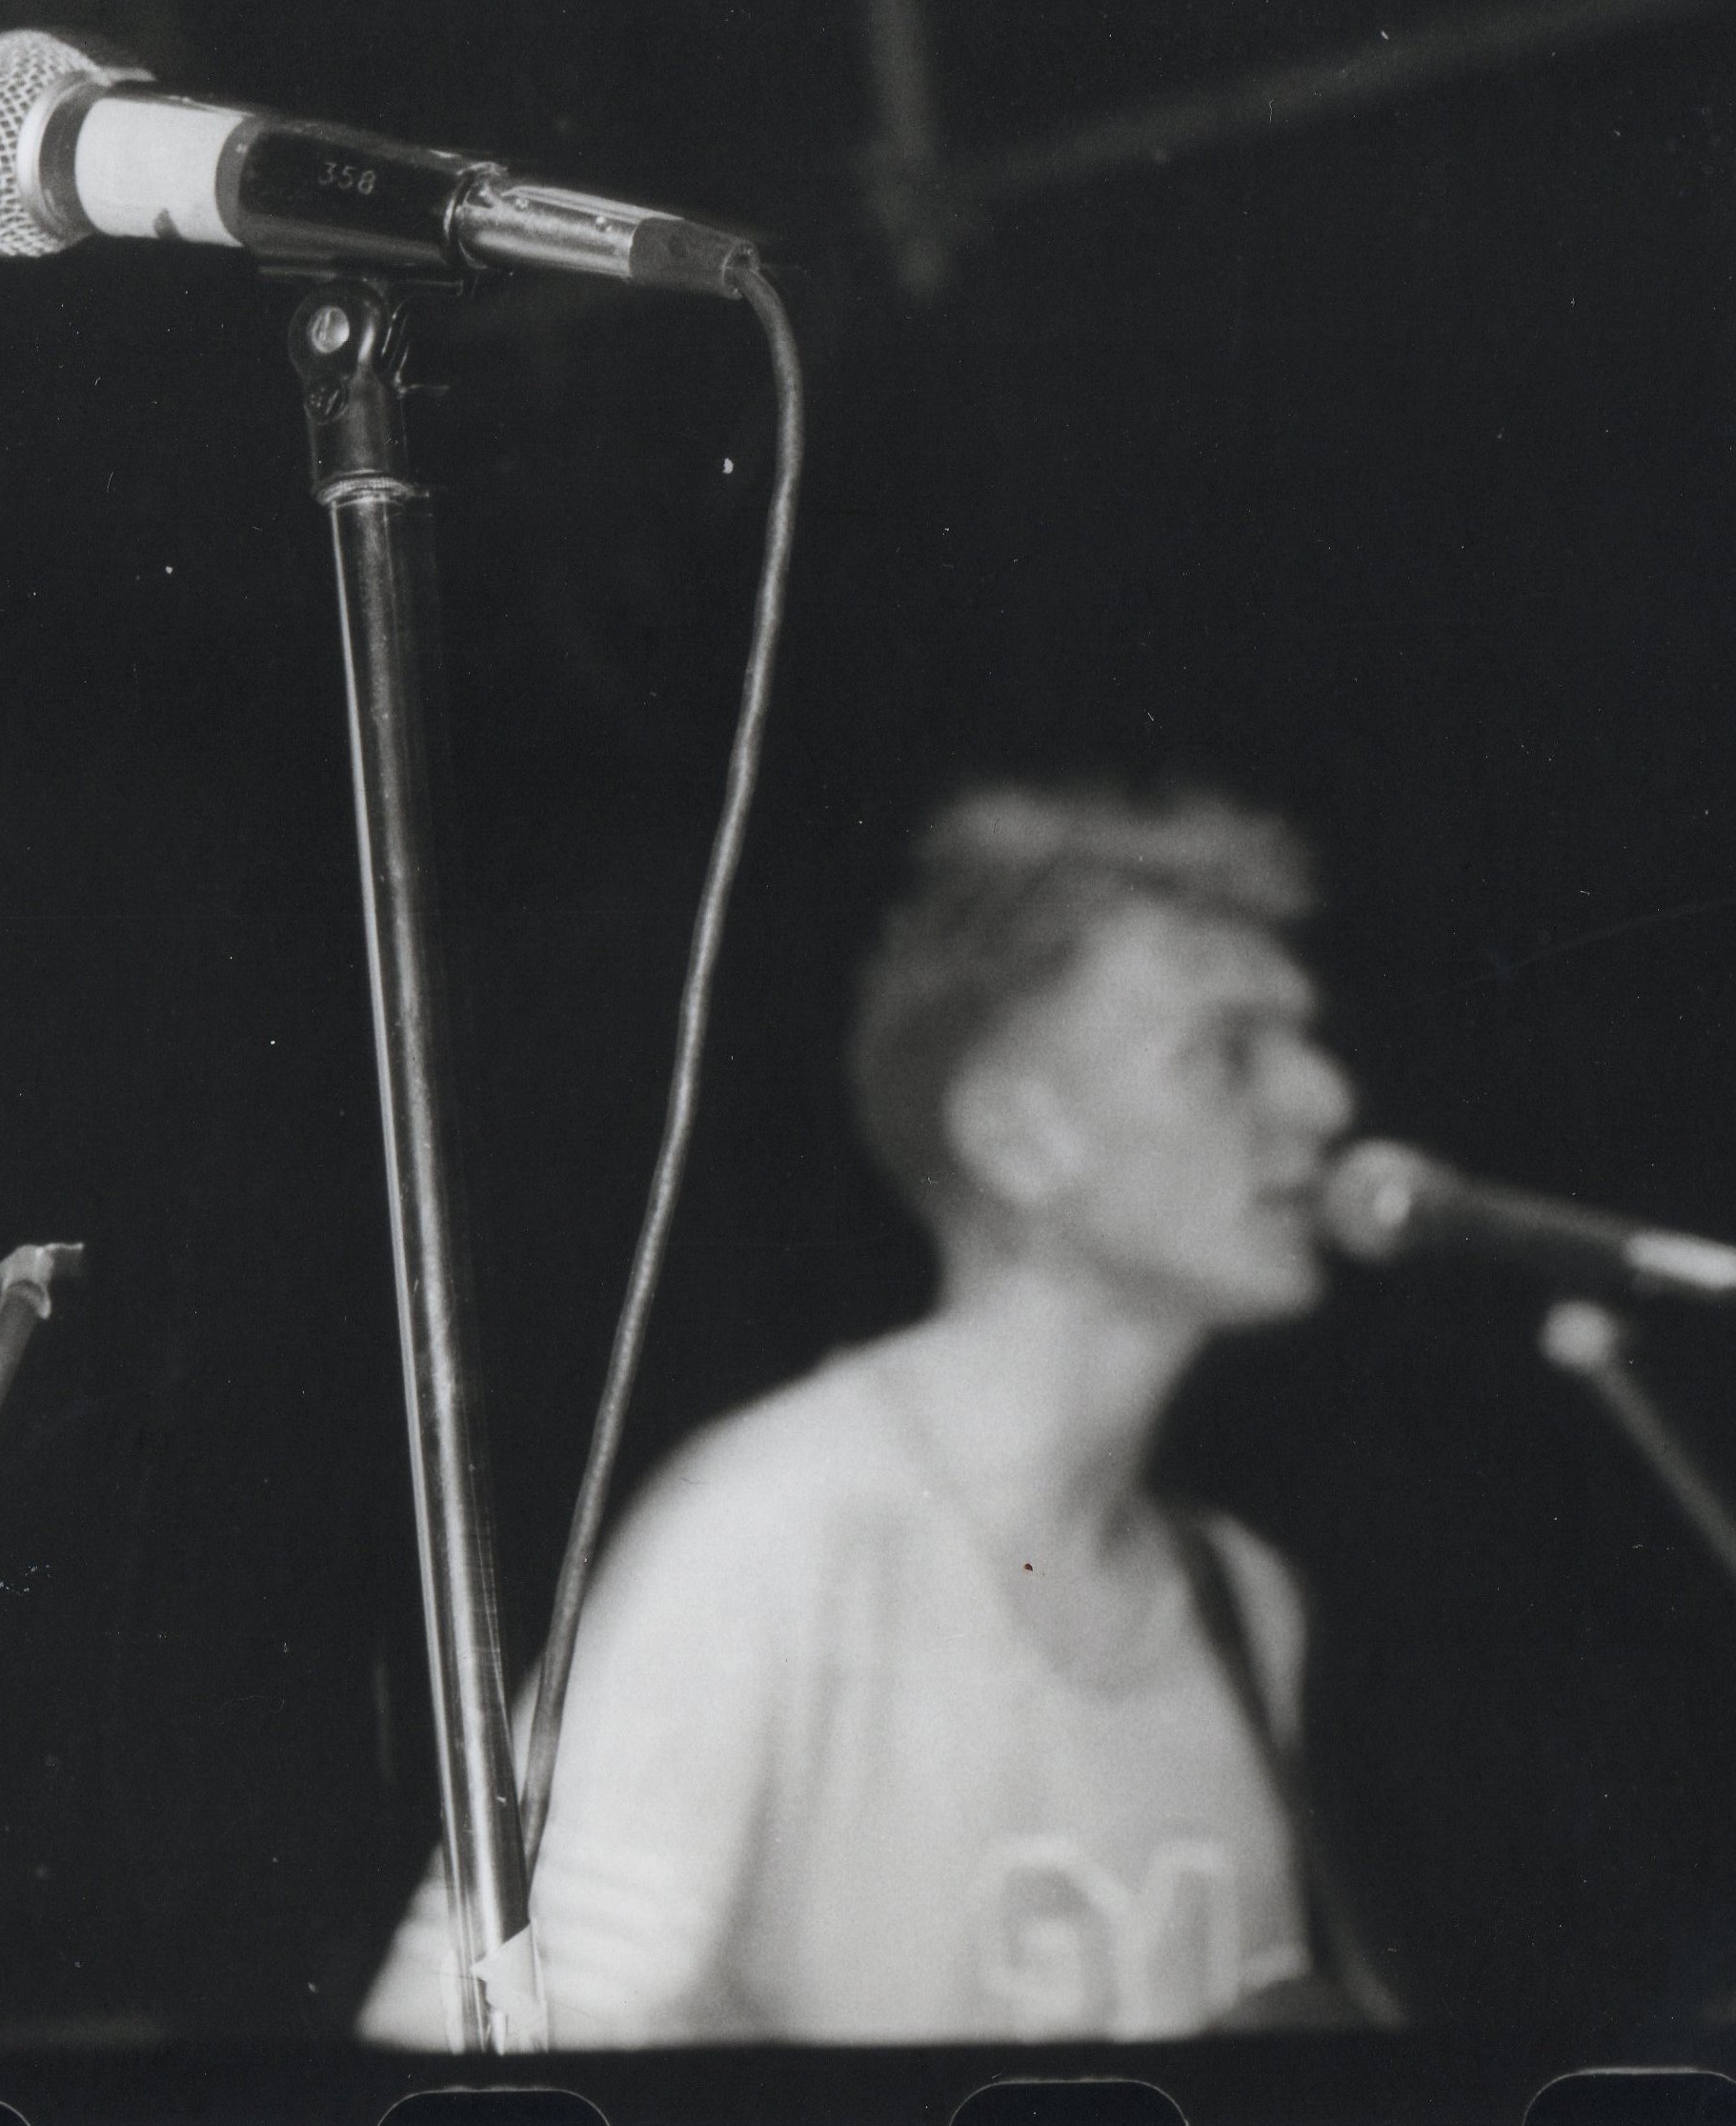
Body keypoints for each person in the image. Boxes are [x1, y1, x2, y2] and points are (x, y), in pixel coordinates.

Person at [360, 782, 1394, 2049]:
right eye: (1226, 1049)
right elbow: (468, 2049)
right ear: (1015, 1136)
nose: (1323, 1096)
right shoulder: (771, 1530)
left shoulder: (1239, 1598)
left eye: (1302, 1040)